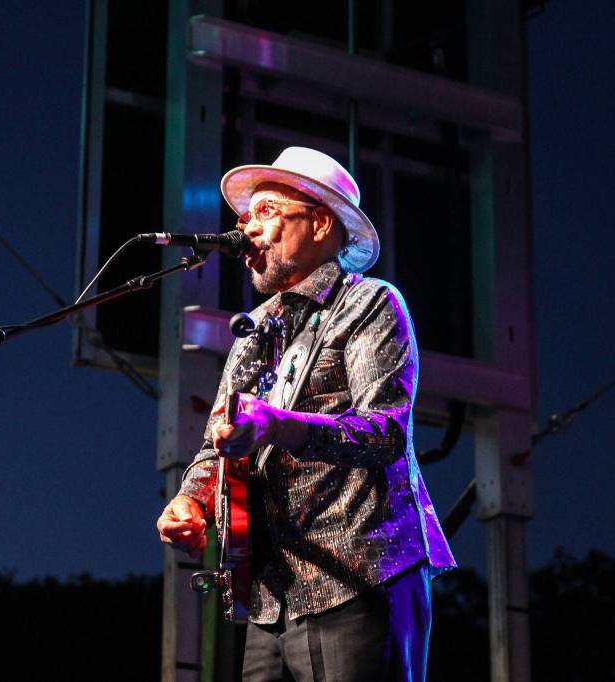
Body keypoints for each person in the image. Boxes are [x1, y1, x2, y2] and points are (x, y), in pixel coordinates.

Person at [156, 146, 456, 682]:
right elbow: (214, 445)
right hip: (271, 594)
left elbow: (385, 432)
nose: (247, 229)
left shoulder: (369, 304)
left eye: (267, 212)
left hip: (357, 577)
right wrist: (190, 498)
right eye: (245, 217)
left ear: (319, 224)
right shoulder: (255, 329)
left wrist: (277, 426)